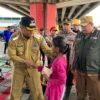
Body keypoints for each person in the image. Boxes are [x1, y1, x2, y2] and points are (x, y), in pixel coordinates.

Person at [7, 16, 54, 100]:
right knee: (14, 93)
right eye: (29, 29)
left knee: (38, 92)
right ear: (21, 27)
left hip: (33, 68)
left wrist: (57, 53)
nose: (32, 31)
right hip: (19, 68)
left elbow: (46, 49)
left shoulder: (38, 37)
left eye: (33, 28)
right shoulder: (14, 38)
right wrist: (24, 61)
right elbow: (11, 55)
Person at [74, 16, 100, 100]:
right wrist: (73, 65)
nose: (83, 28)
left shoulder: (98, 35)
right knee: (80, 95)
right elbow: (75, 51)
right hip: (80, 71)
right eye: (82, 26)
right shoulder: (79, 35)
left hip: (94, 72)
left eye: (85, 26)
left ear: (91, 24)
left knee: (95, 96)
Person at [36, 36, 68, 100]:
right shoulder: (58, 58)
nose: (51, 47)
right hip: (53, 87)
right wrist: (37, 67)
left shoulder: (60, 62)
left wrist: (49, 79)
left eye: (52, 46)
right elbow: (52, 69)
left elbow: (62, 80)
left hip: (56, 89)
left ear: (57, 49)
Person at [58, 19, 76, 100]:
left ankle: (66, 97)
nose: (65, 26)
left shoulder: (75, 35)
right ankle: (60, 95)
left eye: (67, 25)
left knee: (69, 81)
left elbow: (77, 49)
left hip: (70, 61)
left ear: (70, 25)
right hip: (60, 61)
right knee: (60, 79)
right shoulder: (58, 35)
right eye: (64, 25)